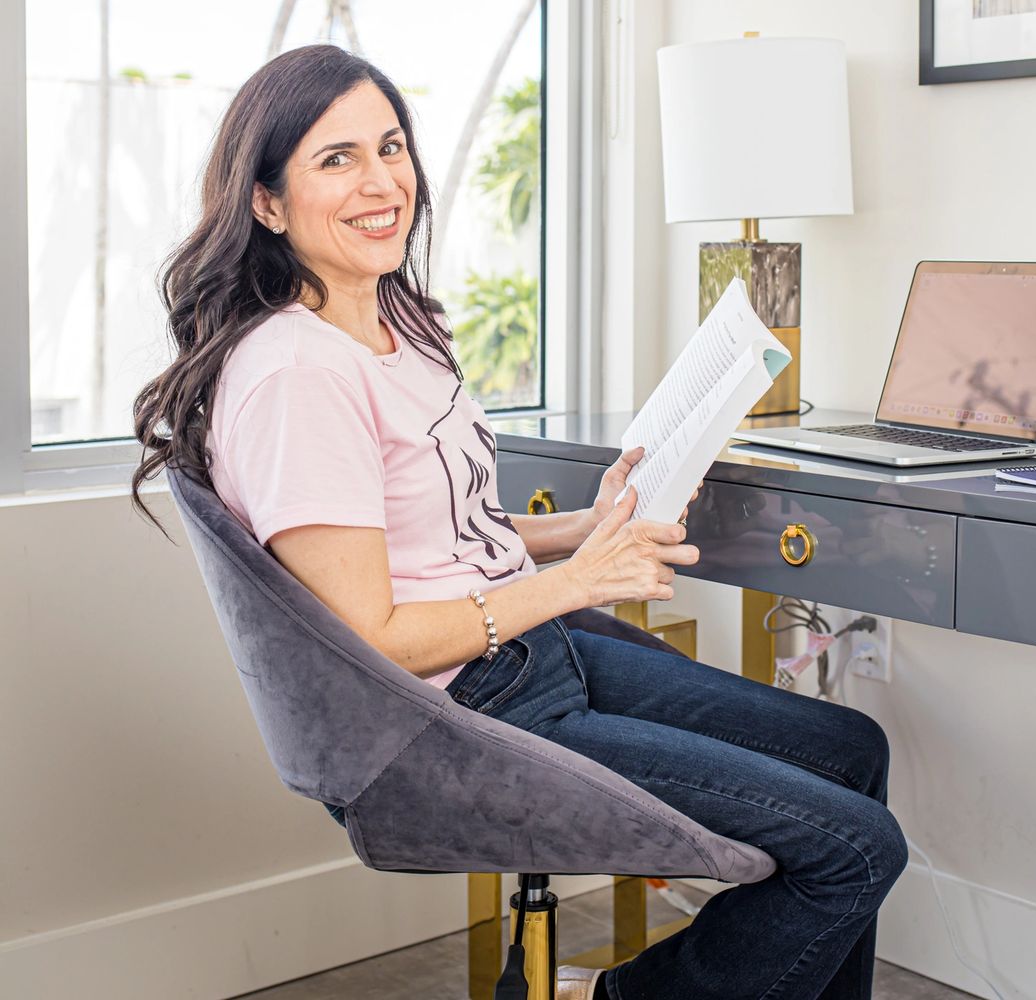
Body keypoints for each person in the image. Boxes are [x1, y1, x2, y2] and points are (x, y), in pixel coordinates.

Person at [131, 45, 906, 1000]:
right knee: (856, 852)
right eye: (337, 161)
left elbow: (439, 533)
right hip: (460, 716)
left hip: (532, 656)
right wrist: (579, 582)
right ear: (267, 202)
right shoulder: (299, 375)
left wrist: (583, 526)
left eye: (390, 148)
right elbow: (373, 636)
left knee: (853, 751)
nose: (382, 184)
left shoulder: (392, 324)